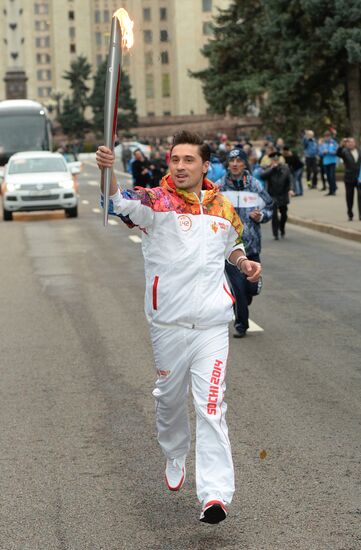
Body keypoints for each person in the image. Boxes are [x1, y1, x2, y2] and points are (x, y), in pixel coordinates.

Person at [96, 131, 261, 524]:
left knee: (210, 407)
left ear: (206, 165)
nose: (181, 166)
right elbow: (119, 202)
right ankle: (173, 452)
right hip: (168, 323)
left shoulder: (221, 206)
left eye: (189, 160)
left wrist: (243, 263)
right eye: (175, 160)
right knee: (169, 400)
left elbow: (231, 244)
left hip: (211, 325)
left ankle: (215, 495)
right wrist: (108, 173)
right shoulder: (157, 201)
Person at [217, 148, 273, 338]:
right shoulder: (219, 187)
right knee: (238, 289)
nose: (234, 164)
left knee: (250, 289)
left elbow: (270, 206)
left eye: (238, 160)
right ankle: (241, 325)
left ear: (244, 163)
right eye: (231, 161)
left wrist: (261, 216)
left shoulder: (255, 185)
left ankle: (243, 300)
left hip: (252, 245)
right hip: (229, 248)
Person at [261, 151, 292, 240]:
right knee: (274, 215)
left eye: (277, 160)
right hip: (272, 195)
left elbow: (290, 179)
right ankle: (275, 233)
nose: (276, 162)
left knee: (284, 214)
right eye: (274, 160)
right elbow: (262, 176)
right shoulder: (269, 169)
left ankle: (282, 228)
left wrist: (291, 189)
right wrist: (272, 169)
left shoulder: (285, 168)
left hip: (283, 194)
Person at [336, 137, 361, 221]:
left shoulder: (359, 151)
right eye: (349, 142)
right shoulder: (344, 151)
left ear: (355, 143)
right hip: (349, 178)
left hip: (359, 178)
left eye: (352, 142)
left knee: (360, 197)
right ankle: (350, 214)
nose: (350, 143)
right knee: (349, 197)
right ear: (347, 144)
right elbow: (337, 153)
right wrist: (341, 145)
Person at [319, 131, 338, 195]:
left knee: (332, 176)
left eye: (328, 136)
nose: (327, 137)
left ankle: (334, 190)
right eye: (325, 136)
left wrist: (329, 151)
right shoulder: (323, 144)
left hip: (332, 161)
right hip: (325, 162)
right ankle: (330, 190)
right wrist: (323, 152)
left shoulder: (333, 142)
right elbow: (320, 153)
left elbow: (337, 151)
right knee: (328, 177)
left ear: (330, 136)